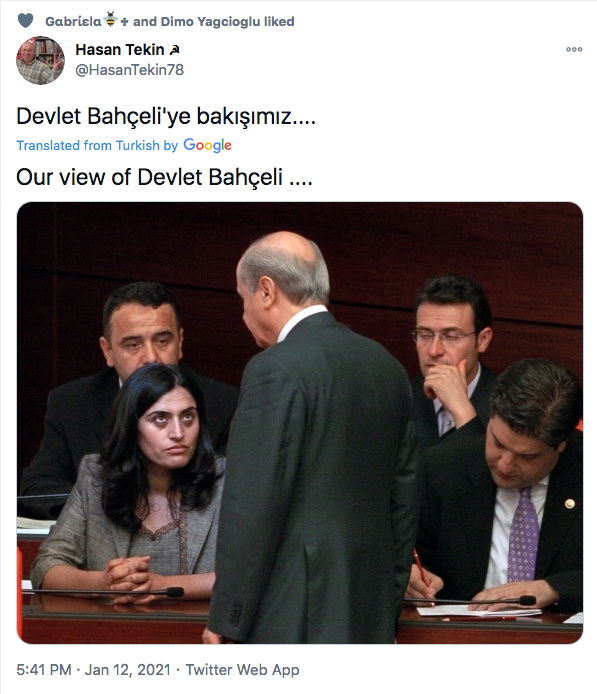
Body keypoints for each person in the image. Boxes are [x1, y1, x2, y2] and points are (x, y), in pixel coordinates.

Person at [204, 231, 419, 644]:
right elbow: (403, 503)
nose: (243, 313)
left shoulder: (273, 368)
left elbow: (252, 505)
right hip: (368, 611)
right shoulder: (387, 366)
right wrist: (387, 606)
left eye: (242, 298)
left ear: (266, 290)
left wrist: (227, 618)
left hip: (292, 615)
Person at [20, 281, 239, 519]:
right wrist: (112, 511)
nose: (151, 358)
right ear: (108, 351)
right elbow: (38, 490)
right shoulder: (71, 403)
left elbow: (229, 494)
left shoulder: (223, 404)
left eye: (162, 341)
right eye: (133, 345)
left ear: (180, 342)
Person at [31, 363, 223, 601]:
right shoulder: (96, 477)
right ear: (131, 426)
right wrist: (105, 583)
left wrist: (162, 586)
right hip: (115, 623)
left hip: (197, 624)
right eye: (160, 419)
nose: (178, 433)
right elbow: (46, 566)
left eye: (187, 417)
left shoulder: (225, 480)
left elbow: (250, 577)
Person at [407, 358, 582, 612]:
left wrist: (552, 589)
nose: (505, 465)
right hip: (461, 630)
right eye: (498, 443)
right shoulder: (443, 468)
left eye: (527, 457)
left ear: (561, 444)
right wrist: (411, 576)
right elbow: (410, 555)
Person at [410, 273, 495, 452]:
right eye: (425, 335)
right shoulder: (402, 400)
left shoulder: (508, 405)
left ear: (482, 340)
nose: (434, 351)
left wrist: (462, 411)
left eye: (451, 336)